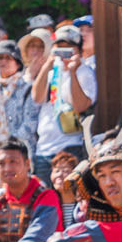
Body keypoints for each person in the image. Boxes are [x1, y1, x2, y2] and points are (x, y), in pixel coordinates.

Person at [32, 23, 94, 181]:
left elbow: (81, 105)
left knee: (69, 194)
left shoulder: (84, 72)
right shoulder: (53, 71)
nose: (63, 53)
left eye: (68, 48)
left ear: (79, 50)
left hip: (70, 145)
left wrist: (72, 71)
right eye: (59, 48)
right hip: (43, 148)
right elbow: (37, 98)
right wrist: (47, 65)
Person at [0, 40, 35, 154]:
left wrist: (11, 146)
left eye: (8, 58)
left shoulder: (27, 88)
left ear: (18, 63)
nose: (3, 61)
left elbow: (30, 123)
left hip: (23, 151)